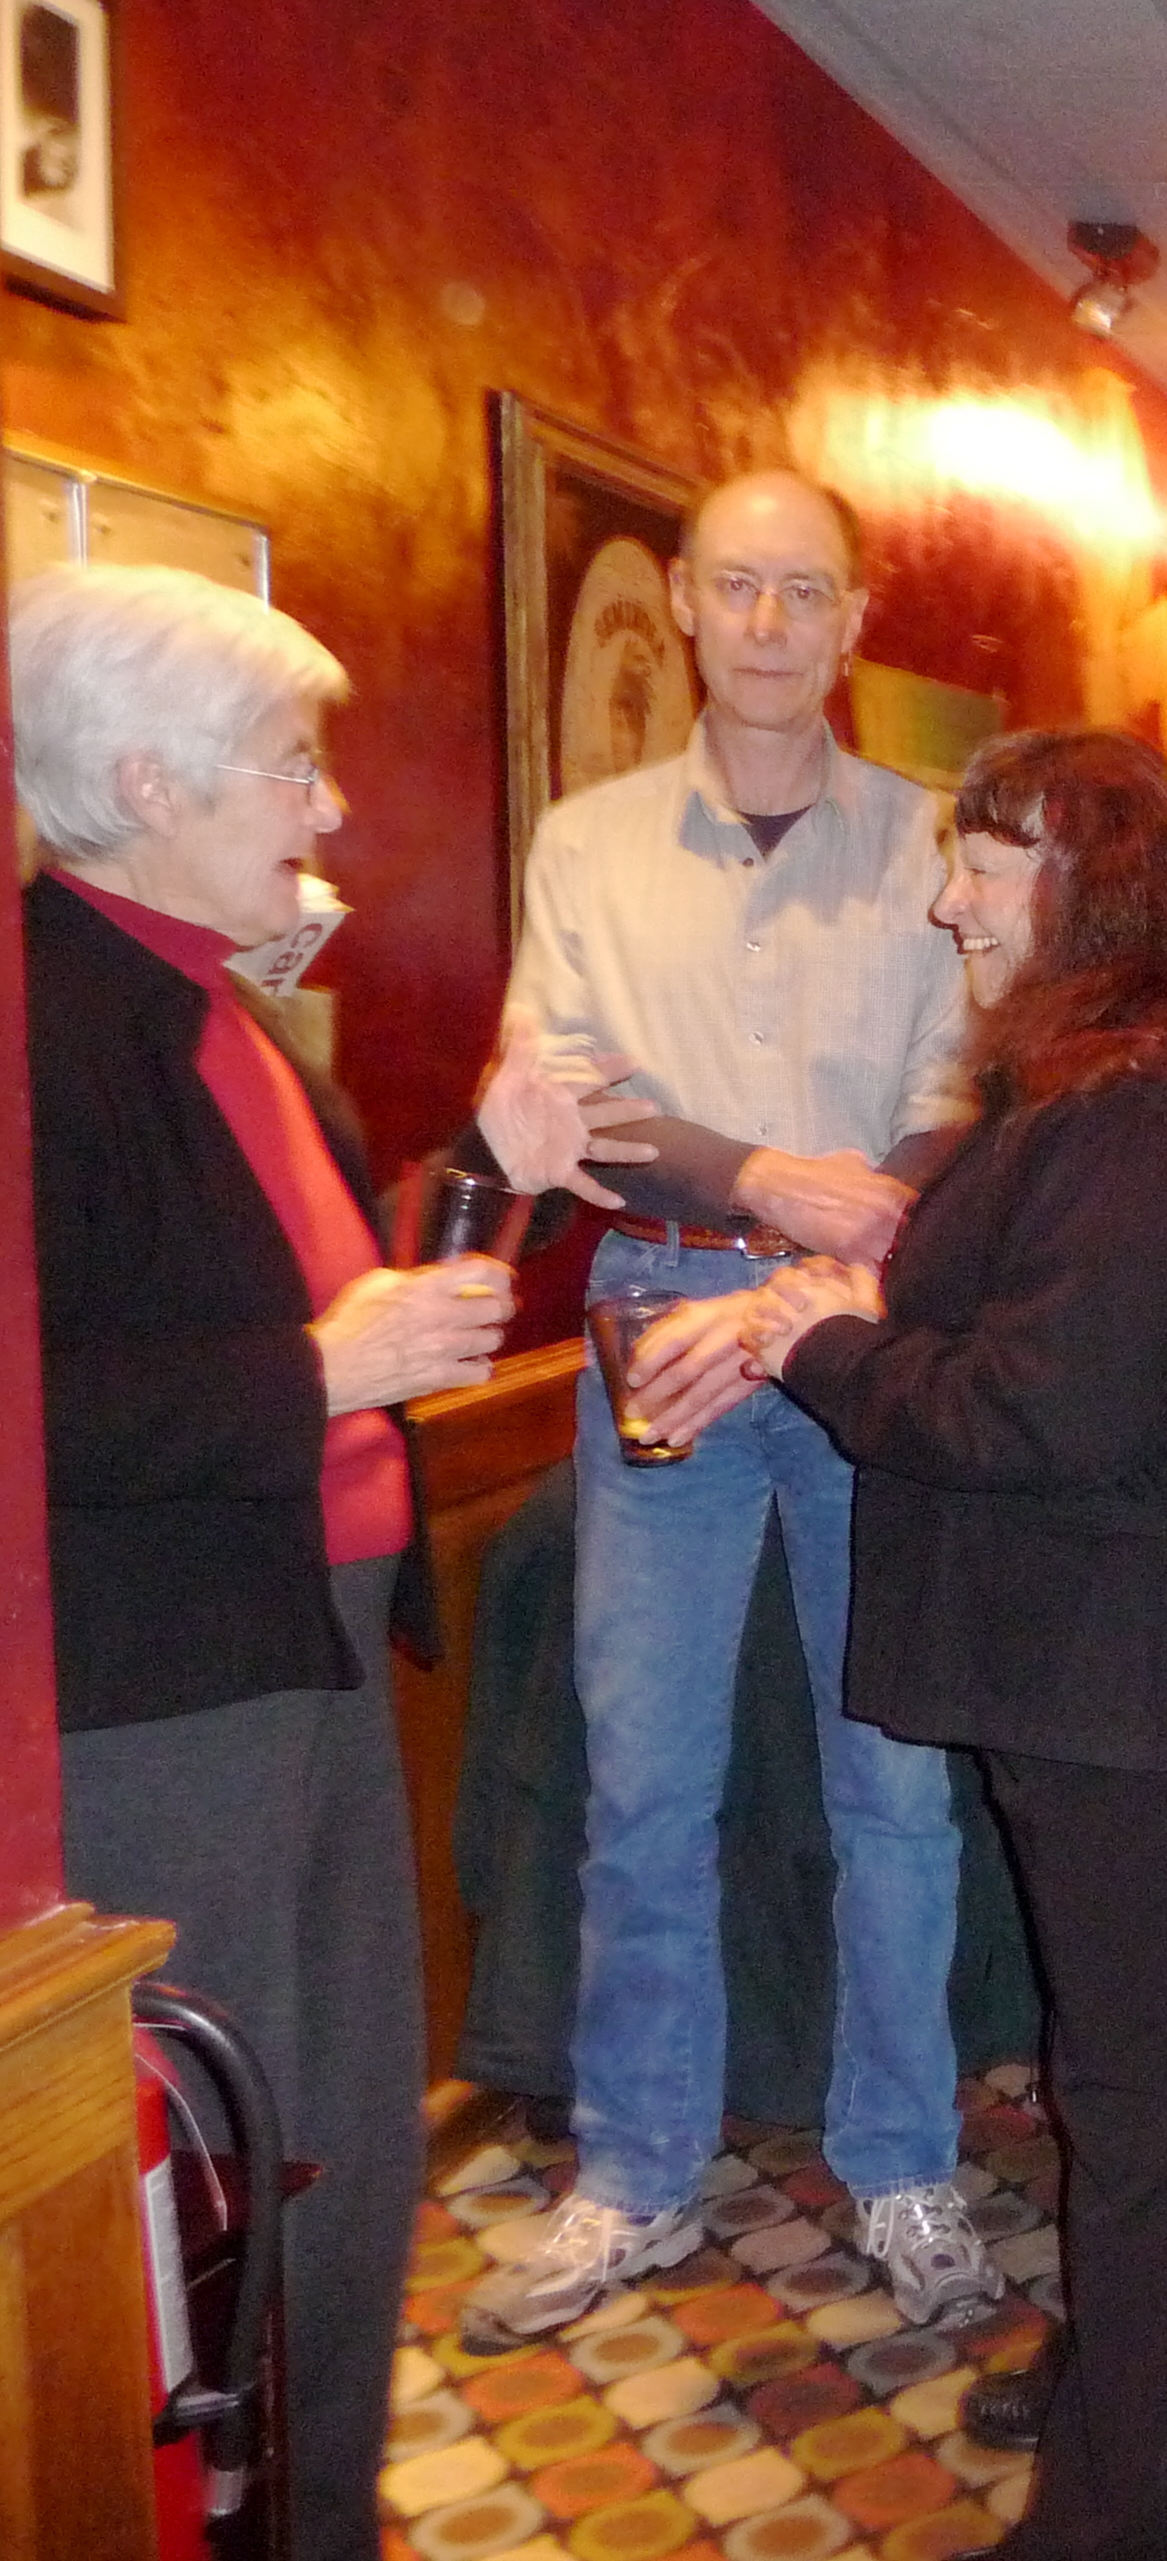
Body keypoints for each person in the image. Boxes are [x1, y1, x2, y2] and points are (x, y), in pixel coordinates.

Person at [742, 728, 1167, 2561]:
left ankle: (1120, 2515)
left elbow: (1040, 1414)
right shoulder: (1120, 1096)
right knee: (1140, 2104)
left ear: (1088, 887)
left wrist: (820, 1349)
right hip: (1124, 1681)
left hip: (1157, 1695)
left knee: (1151, 2125)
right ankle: (1129, 2397)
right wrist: (860, 1308)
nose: (952, 902)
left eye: (986, 867)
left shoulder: (1139, 1118)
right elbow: (1057, 1355)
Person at [464, 469, 1000, 2344]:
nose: (773, 625)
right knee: (644, 1776)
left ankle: (905, 2160)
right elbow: (566, 1102)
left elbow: (967, 1085)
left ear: (855, 618)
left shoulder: (934, 842)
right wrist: (769, 1180)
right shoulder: (588, 845)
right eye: (741, 588)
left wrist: (842, 1238)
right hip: (663, 1320)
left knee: (895, 1779)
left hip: (867, 1327)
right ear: (684, 603)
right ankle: (632, 2172)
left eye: (809, 591)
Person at [18, 563, 520, 2560]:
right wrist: (321, 1371)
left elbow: (313, 1288)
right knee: (228, 2172)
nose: (326, 806)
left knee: (342, 2135)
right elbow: (40, 1402)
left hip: (312, 1639)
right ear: (147, 780)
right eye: (288, 763)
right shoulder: (44, 1021)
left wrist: (486, 1183)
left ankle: (326, 2514)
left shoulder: (221, 1008)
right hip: (168, 1689)